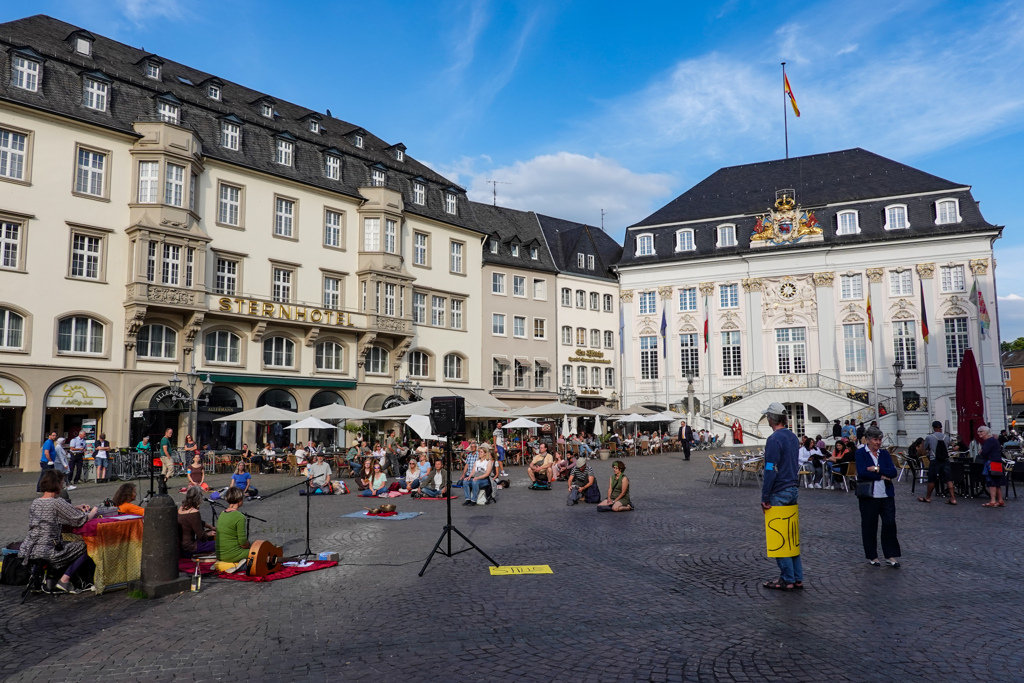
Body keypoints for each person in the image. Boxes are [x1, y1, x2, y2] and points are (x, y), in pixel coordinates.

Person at [21, 469, 99, 593]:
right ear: (56, 484)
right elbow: (81, 520)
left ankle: (37, 579)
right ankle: (65, 579)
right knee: (88, 545)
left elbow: (52, 512)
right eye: (62, 482)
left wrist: (74, 507)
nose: (63, 485)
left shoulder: (35, 502)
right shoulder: (58, 502)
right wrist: (94, 511)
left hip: (29, 548)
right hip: (49, 550)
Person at [760, 402, 803, 591]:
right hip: (793, 487)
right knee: (791, 536)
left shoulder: (773, 439)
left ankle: (787, 578)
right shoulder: (793, 437)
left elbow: (770, 468)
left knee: (779, 537)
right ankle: (797, 576)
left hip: (779, 490)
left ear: (771, 418)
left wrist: (765, 495)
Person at [855, 426, 901, 567]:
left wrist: (877, 469)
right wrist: (882, 475)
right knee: (869, 525)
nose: (878, 443)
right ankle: (872, 556)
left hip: (886, 494)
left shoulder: (885, 454)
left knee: (889, 523)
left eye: (880, 440)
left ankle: (890, 555)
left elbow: (893, 472)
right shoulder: (861, 453)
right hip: (869, 495)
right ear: (868, 440)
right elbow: (862, 472)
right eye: (875, 440)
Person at [917, 421, 956, 505]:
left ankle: (928, 497)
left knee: (932, 479)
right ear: (941, 428)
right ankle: (953, 498)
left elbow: (926, 448)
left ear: (933, 428)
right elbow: (948, 446)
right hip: (945, 460)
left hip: (934, 460)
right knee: (949, 479)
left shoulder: (929, 437)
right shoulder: (947, 437)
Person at [215, 487, 251, 564]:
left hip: (220, 554)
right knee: (259, 552)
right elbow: (242, 542)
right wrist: (250, 547)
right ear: (239, 499)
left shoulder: (222, 513)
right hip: (232, 555)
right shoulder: (239, 516)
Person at [178, 486, 216, 557]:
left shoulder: (181, 508)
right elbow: (201, 536)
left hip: (181, 546)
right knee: (220, 544)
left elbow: (195, 522)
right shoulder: (194, 512)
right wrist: (209, 534)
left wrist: (210, 526)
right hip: (190, 547)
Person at [978, 425, 1006, 508]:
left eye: (981, 432)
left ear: (986, 432)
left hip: (991, 463)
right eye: (979, 432)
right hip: (997, 462)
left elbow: (985, 452)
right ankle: (1000, 500)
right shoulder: (994, 440)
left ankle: (993, 501)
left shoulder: (989, 441)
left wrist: (981, 452)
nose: (979, 433)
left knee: (991, 482)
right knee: (997, 482)